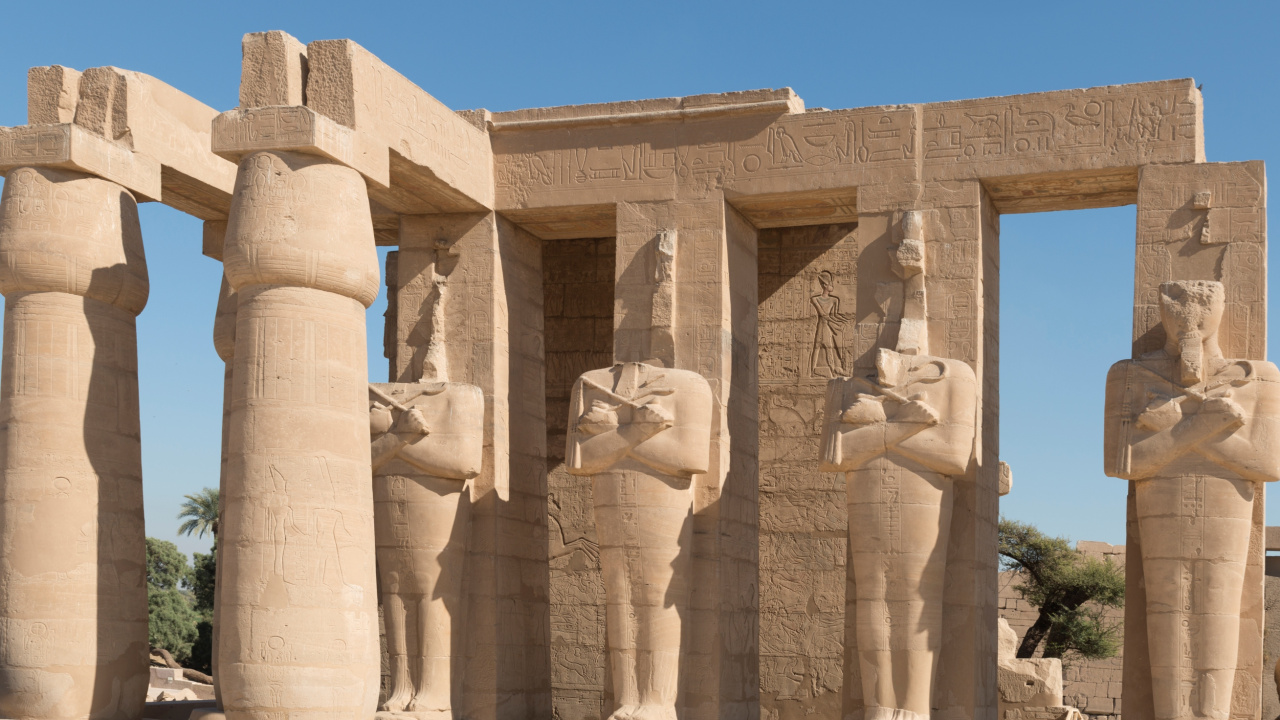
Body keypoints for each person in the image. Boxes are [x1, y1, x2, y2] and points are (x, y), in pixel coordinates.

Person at [1105, 280, 1280, 720]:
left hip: (1226, 504)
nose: (1191, 316)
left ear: (1223, 307)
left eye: (1204, 305)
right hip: (1160, 502)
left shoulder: (1258, 375)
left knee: (1218, 613)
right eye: (1177, 306)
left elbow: (1265, 464)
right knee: (1167, 616)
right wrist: (1197, 425)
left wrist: (1183, 428)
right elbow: (1124, 463)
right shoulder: (1130, 374)